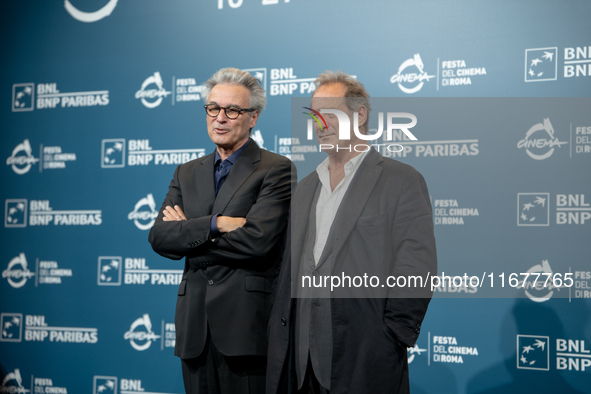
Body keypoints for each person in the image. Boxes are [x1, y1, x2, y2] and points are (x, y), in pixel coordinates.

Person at [266, 71, 437, 394]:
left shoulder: (401, 181)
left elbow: (417, 264)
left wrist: (390, 334)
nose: (321, 124)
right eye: (315, 116)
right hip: (299, 364)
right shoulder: (304, 189)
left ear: (359, 115)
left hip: (364, 359)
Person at [148, 67, 293, 394]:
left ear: (253, 117)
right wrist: (216, 223)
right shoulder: (186, 172)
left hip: (246, 328)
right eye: (213, 108)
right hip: (194, 330)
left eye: (232, 110)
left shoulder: (275, 169)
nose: (220, 118)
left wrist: (188, 233)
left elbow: (258, 242)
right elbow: (159, 238)